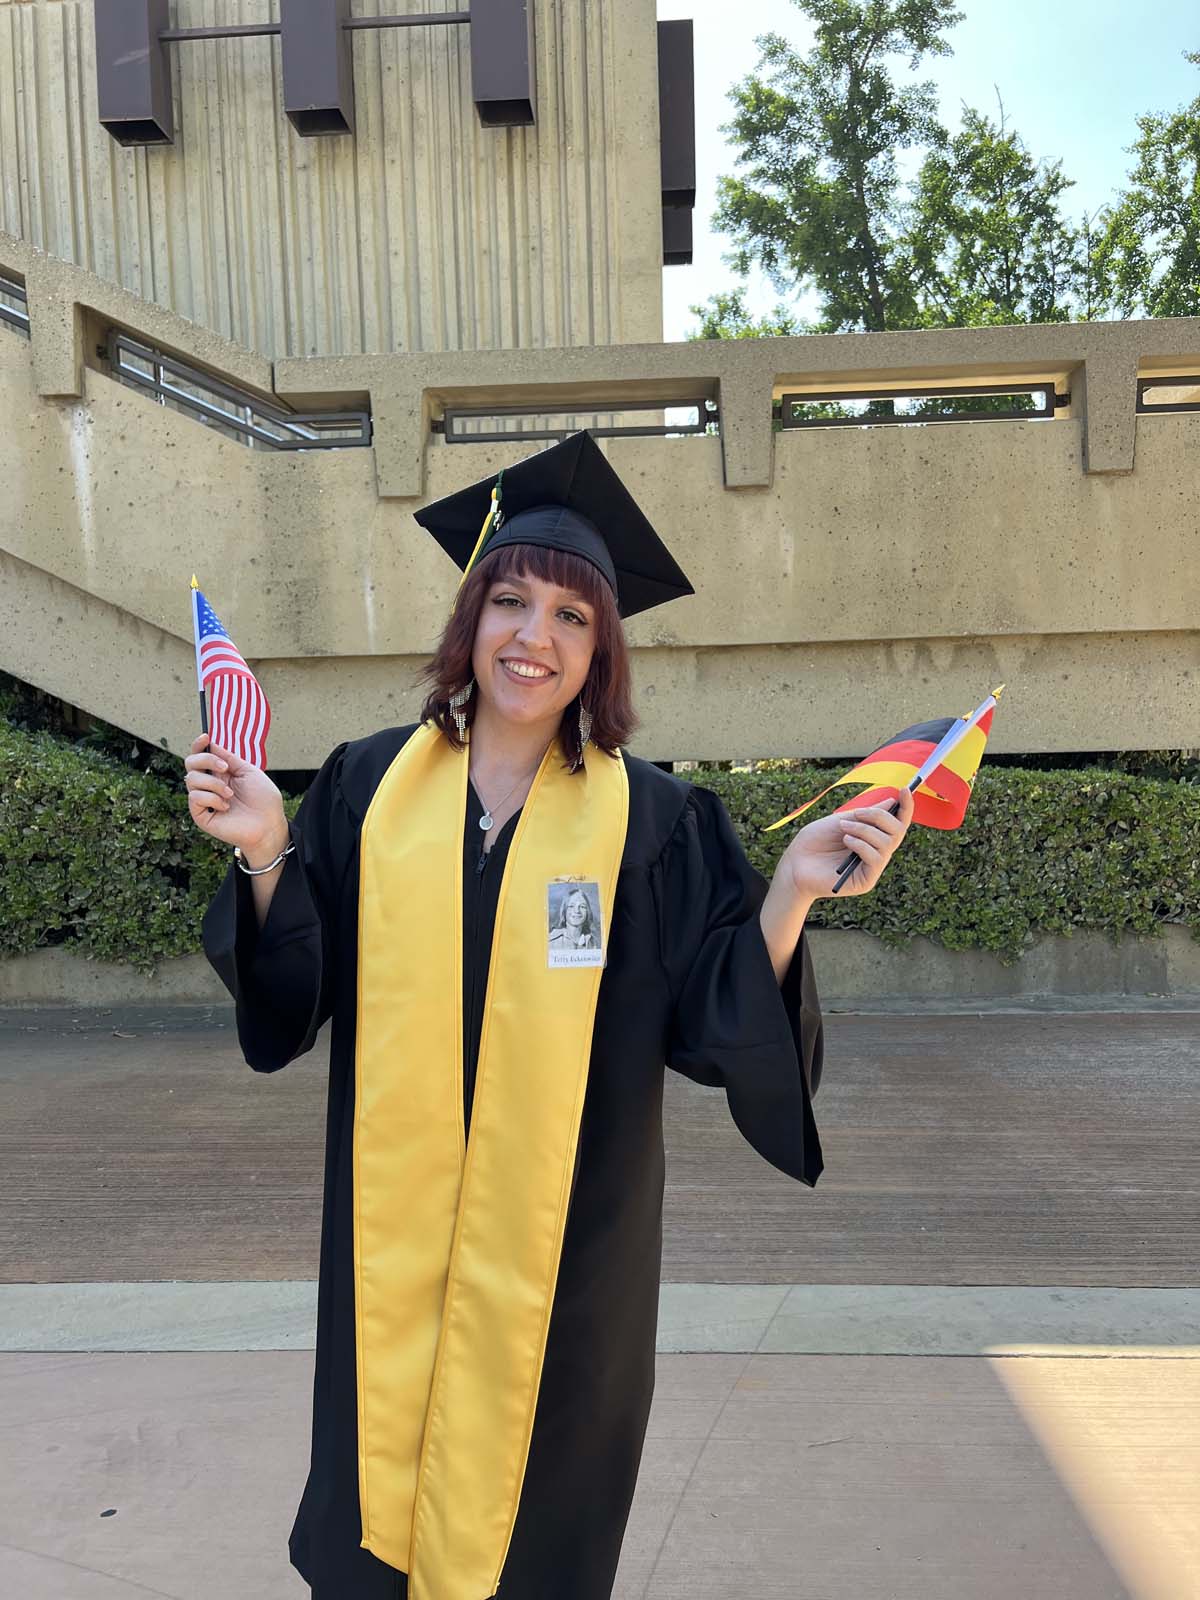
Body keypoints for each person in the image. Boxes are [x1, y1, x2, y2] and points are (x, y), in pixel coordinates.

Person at [187, 430, 913, 1600]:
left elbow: (712, 1014)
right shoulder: (369, 786)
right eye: (512, 602)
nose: (535, 638)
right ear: (471, 619)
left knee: (542, 1520)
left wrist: (789, 891)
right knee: (377, 1493)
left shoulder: (657, 822)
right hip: (395, 1236)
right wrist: (269, 847)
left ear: (601, 649)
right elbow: (293, 995)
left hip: (569, 1252)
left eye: (573, 618)